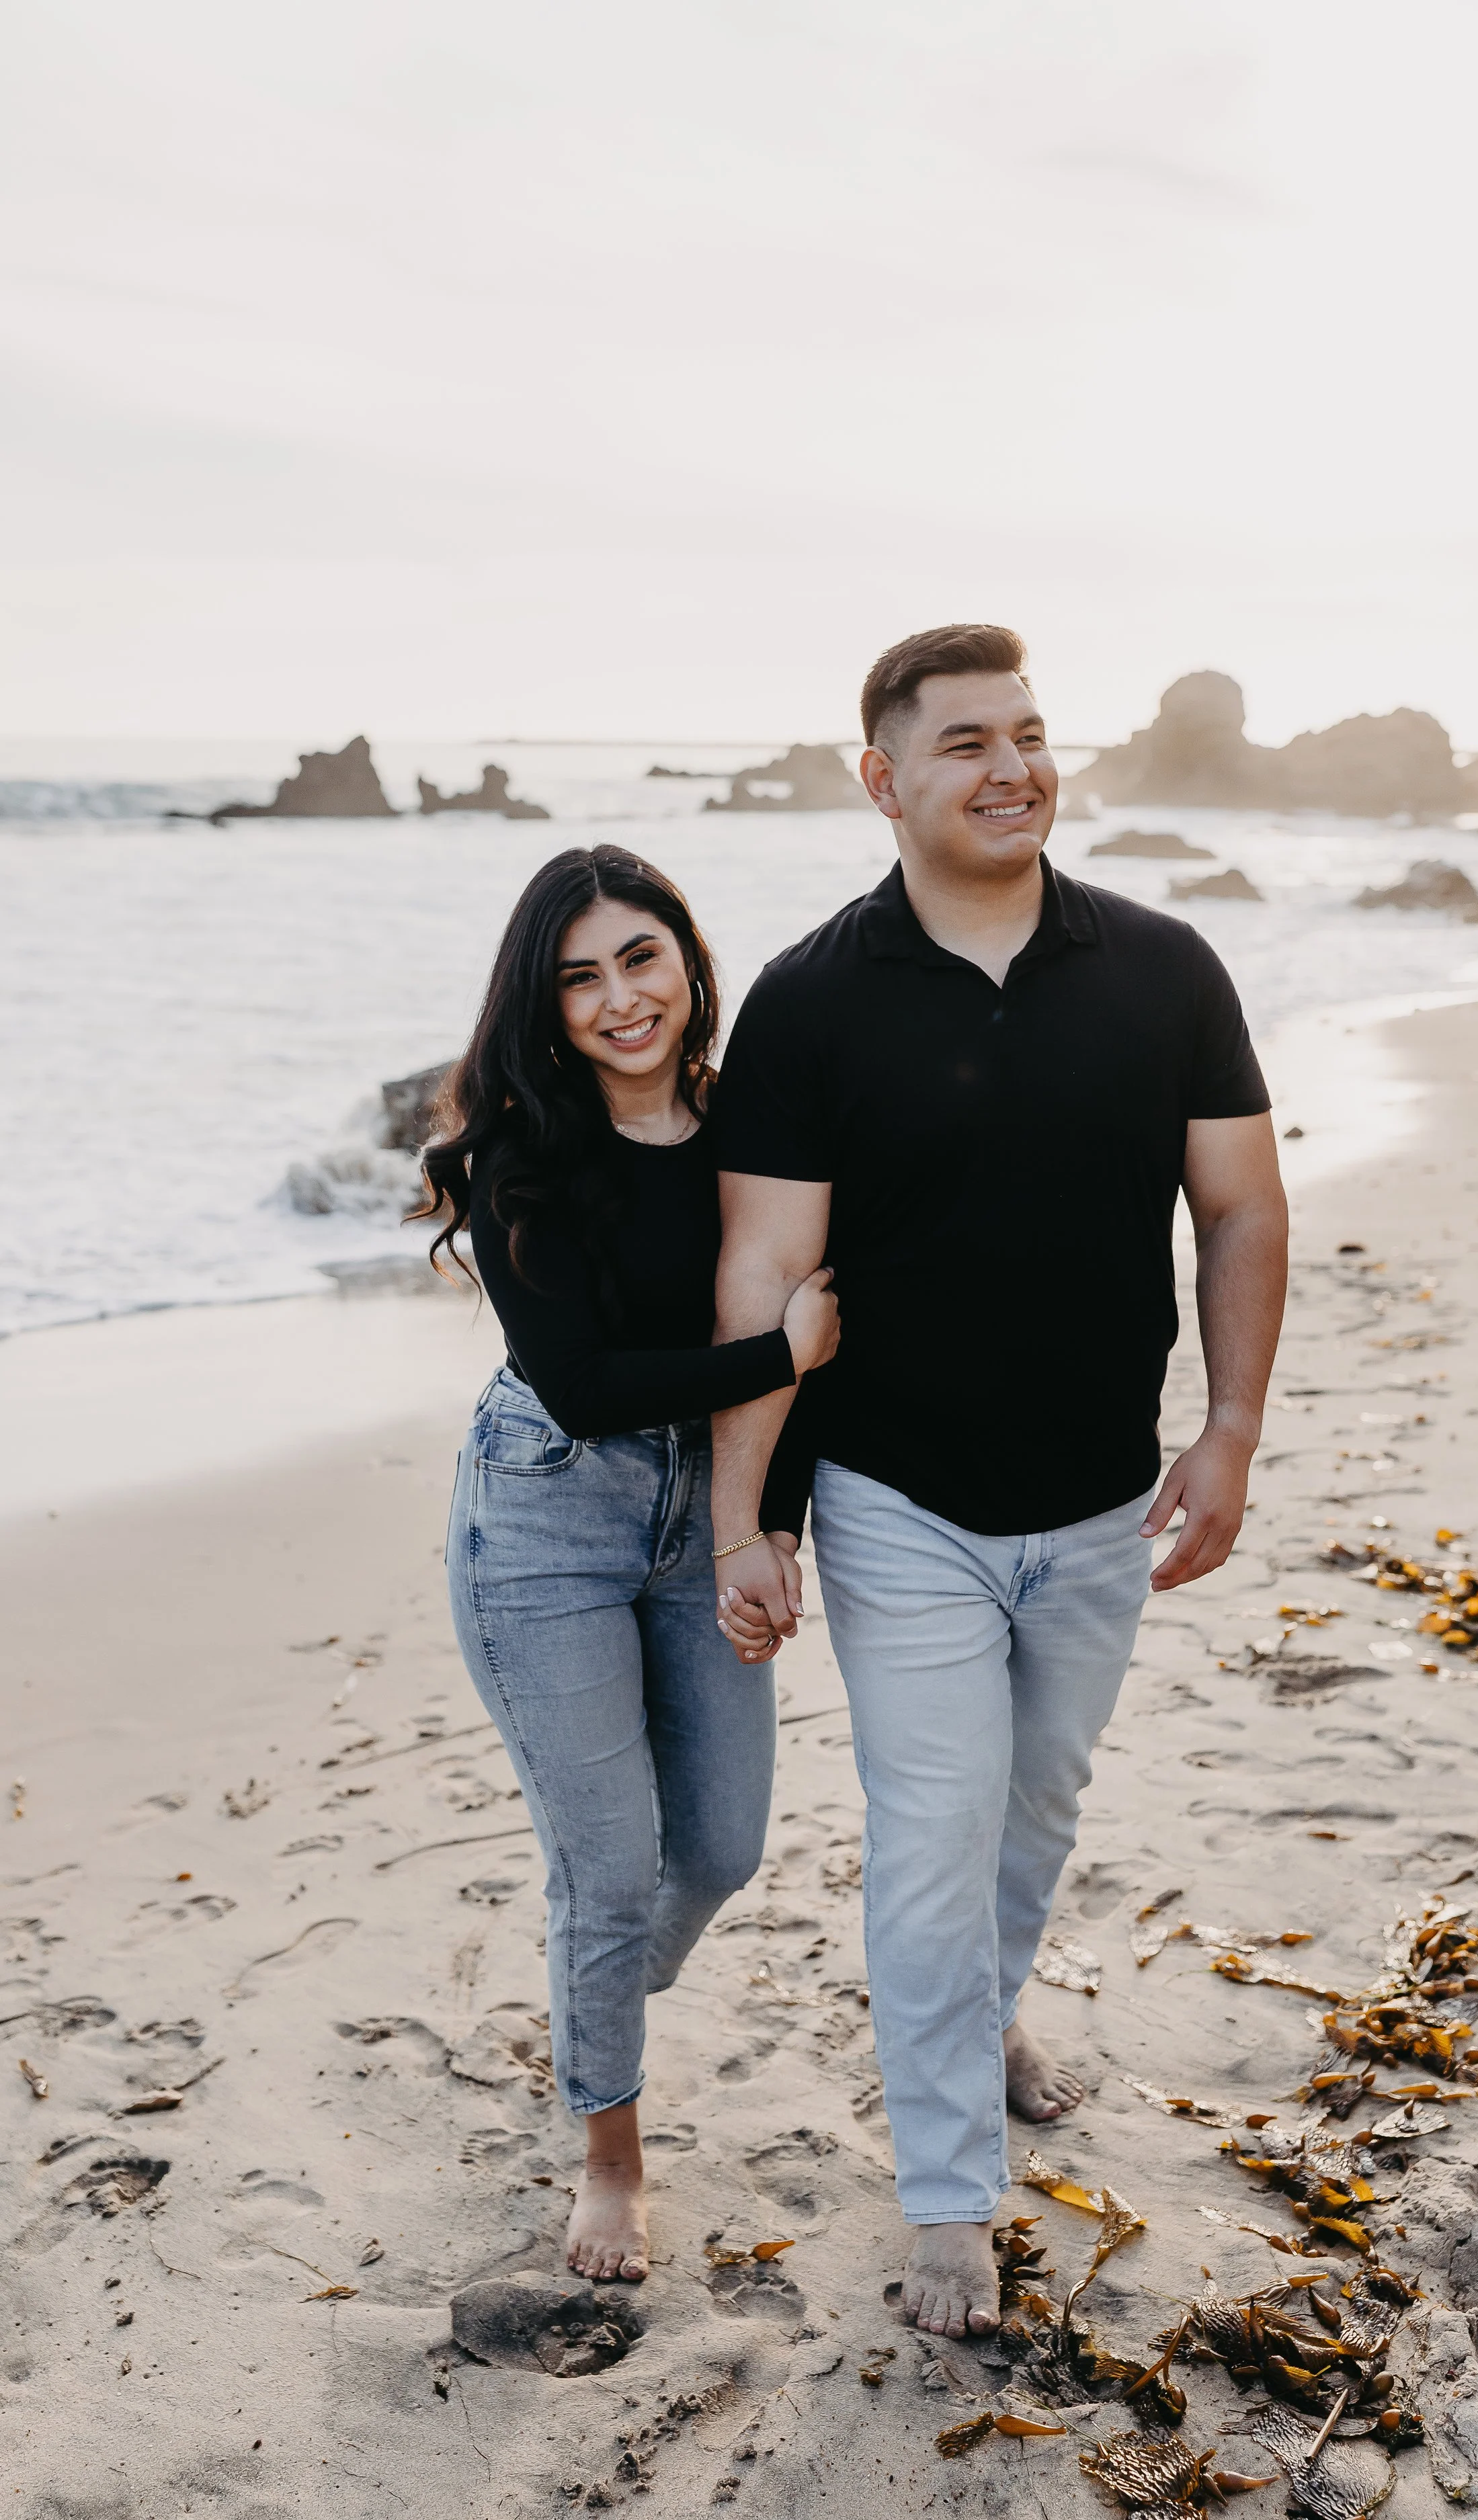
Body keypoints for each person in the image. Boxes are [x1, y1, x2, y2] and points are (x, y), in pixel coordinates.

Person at [706, 625, 1287, 2339]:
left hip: (1103, 1496)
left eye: (1028, 734)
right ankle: (948, 2194)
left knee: (1035, 1810)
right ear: (879, 780)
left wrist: (1230, 1430)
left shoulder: (1166, 969)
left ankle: (983, 2007)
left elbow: (1241, 1211)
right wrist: (752, 1515)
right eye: (963, 743)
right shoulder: (810, 1001)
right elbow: (763, 1281)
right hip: (899, 1499)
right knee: (934, 1829)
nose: (1011, 767)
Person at [415, 845, 839, 2285]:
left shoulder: (746, 1134)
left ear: (688, 961)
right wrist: (771, 1357)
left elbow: (812, 1361)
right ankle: (609, 2157)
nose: (617, 1000)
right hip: (546, 1518)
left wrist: (766, 1519)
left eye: (639, 959)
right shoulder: (513, 1157)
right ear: (544, 1003)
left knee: (715, 1846)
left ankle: (591, 1995)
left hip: (699, 1511)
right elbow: (588, 1383)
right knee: (605, 1871)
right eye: (578, 977)